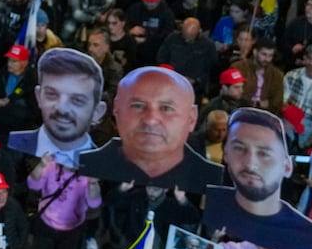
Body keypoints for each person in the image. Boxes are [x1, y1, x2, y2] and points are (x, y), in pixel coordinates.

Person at [203, 108, 312, 249]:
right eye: (239, 148)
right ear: (226, 155)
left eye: (264, 154)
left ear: (287, 166)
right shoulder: (217, 205)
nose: (251, 164)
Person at [76, 67, 223, 191]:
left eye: (166, 108)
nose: (151, 120)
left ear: (191, 118)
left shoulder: (211, 181)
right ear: (116, 109)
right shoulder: (86, 165)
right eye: (138, 105)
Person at [7, 47, 108, 165]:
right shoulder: (12, 146)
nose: (61, 108)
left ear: (97, 112)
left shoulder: (103, 166)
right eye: (52, 94)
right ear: (39, 96)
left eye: (77, 100)